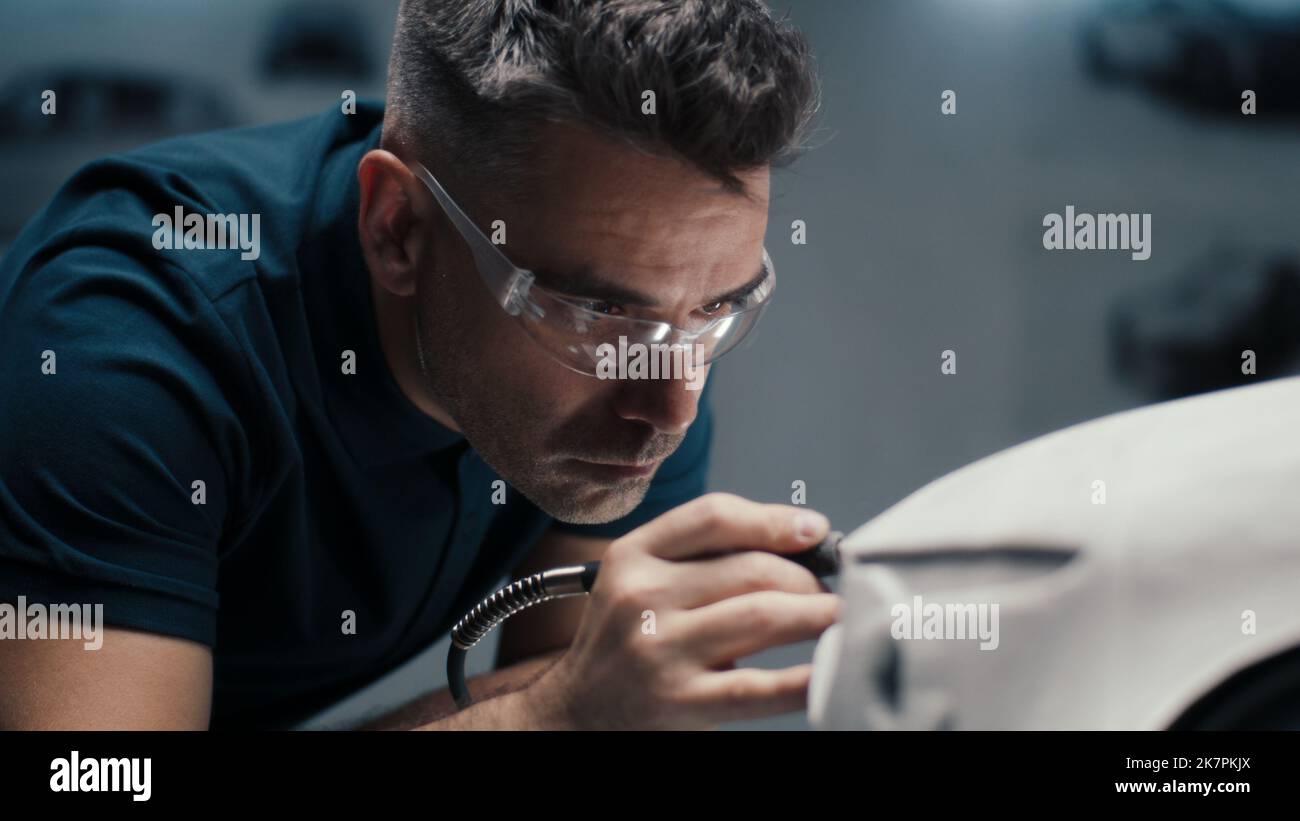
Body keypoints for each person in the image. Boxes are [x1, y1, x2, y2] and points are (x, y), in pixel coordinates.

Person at [0, 0, 838, 730]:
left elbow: (595, 699)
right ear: (397, 227)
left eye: (721, 308)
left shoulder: (652, 341)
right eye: (597, 313)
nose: (673, 408)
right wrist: (552, 716)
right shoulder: (127, 338)